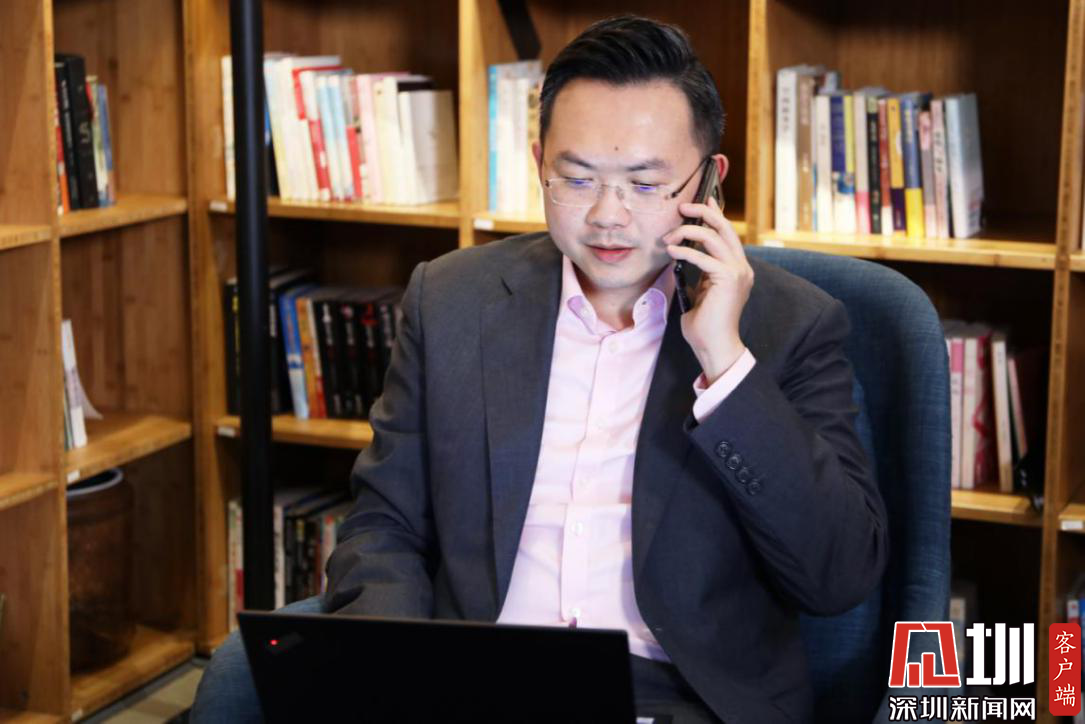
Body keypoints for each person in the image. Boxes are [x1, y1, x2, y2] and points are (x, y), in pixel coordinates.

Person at [194, 14, 888, 724]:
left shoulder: (789, 325)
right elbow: (385, 523)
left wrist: (725, 364)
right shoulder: (451, 299)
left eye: (646, 184)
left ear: (710, 180)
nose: (608, 216)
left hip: (677, 699)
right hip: (472, 681)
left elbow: (836, 576)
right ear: (538, 163)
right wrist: (393, 674)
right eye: (576, 178)